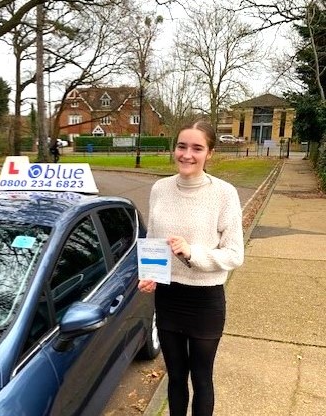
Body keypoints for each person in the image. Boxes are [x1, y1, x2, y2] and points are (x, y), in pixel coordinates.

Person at [138, 120, 244, 416]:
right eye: (182, 146)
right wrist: (149, 274)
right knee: (175, 377)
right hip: (169, 298)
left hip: (205, 300)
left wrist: (192, 252)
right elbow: (153, 240)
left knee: (201, 378)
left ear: (209, 153)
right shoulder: (160, 188)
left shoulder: (224, 194)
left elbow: (235, 254)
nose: (187, 154)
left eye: (197, 148)